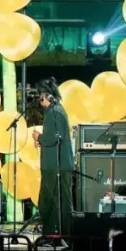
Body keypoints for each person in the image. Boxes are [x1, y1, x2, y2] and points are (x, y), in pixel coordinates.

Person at [33, 77, 74, 236]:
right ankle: (55, 233)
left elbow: (55, 138)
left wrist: (39, 137)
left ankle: (56, 233)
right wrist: (43, 140)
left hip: (56, 165)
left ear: (46, 96)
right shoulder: (56, 111)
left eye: (40, 96)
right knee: (54, 200)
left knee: (53, 200)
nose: (39, 99)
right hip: (56, 164)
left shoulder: (55, 112)